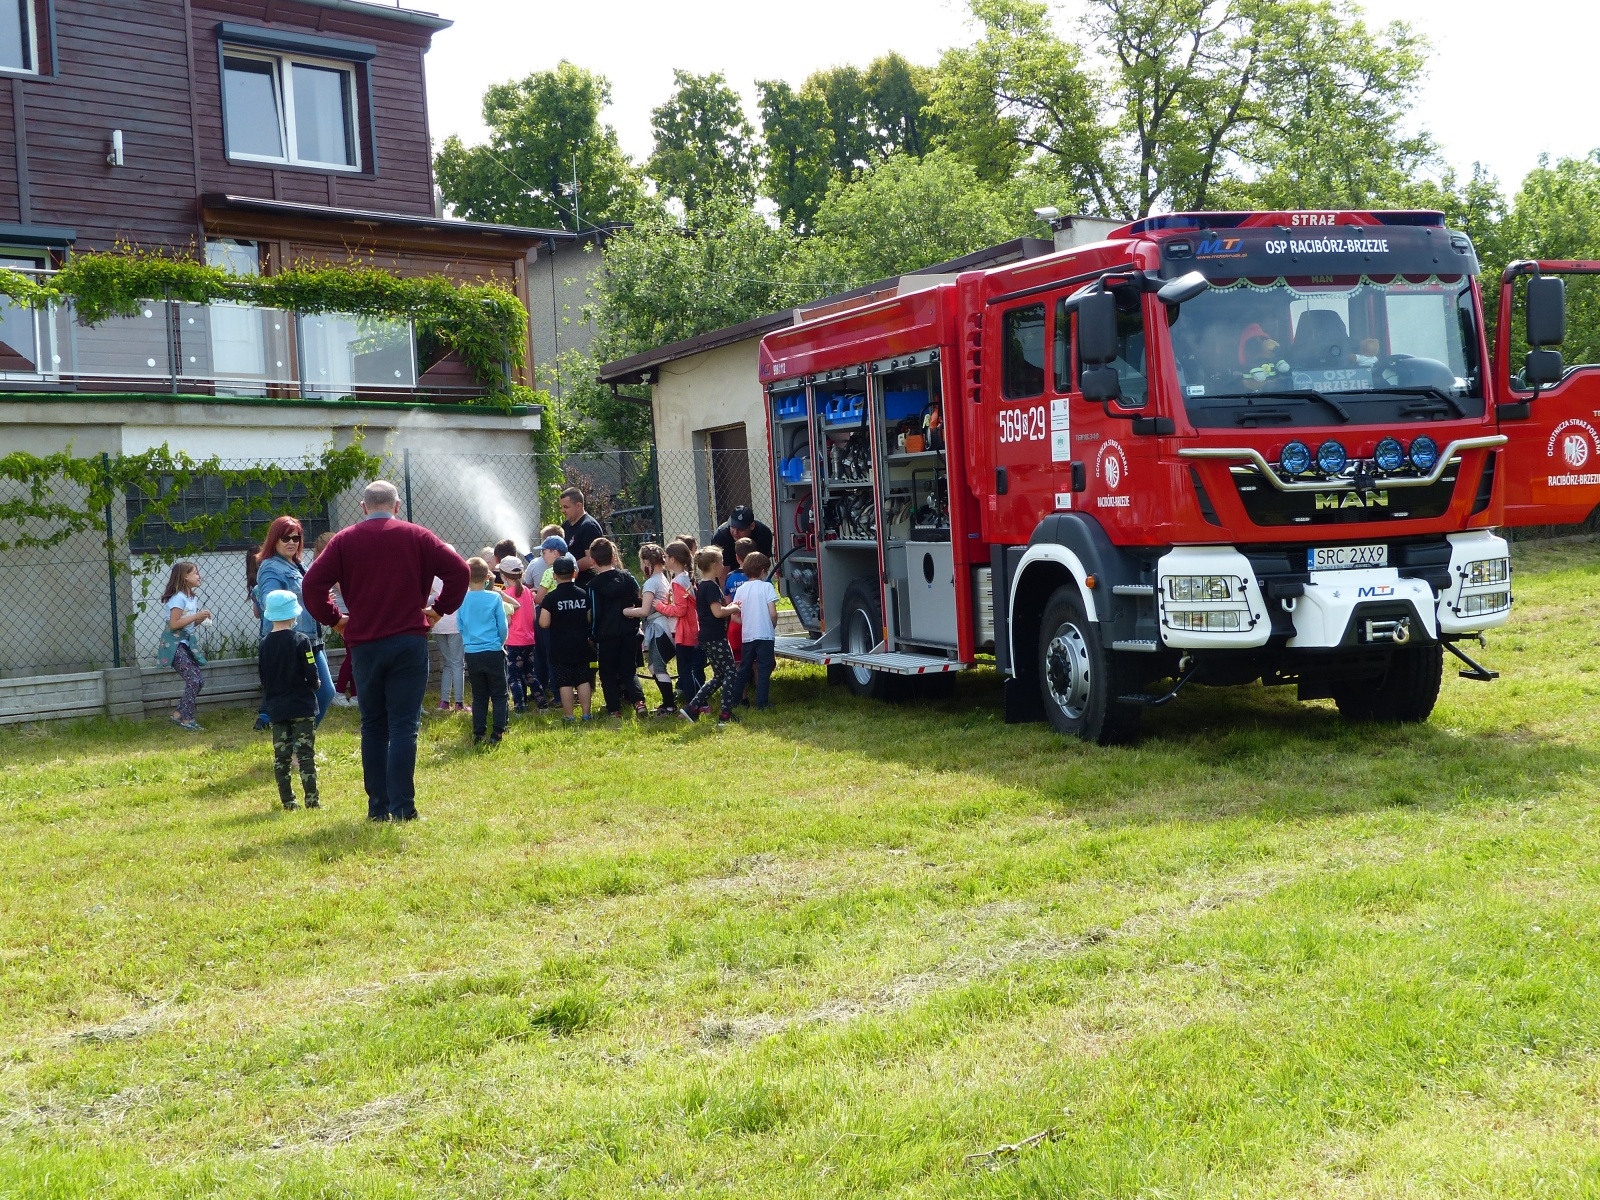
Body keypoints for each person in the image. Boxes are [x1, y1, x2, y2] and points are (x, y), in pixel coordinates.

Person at [302, 480, 468, 822]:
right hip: (409, 640)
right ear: (397, 506)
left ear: (363, 507)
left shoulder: (344, 541)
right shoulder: (418, 535)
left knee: (373, 726)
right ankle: (404, 808)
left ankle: (377, 808)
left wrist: (335, 620)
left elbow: (312, 585)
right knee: (405, 726)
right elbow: (460, 570)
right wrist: (439, 609)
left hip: (365, 644)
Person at [252, 516, 336, 731]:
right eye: (285, 537)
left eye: (296, 538)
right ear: (274, 540)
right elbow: (269, 599)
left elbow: (308, 594)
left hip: (311, 638)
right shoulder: (271, 568)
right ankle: (296, 746)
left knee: (325, 692)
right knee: (309, 695)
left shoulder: (298, 564)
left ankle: (299, 744)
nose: (291, 542)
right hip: (289, 642)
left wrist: (321, 599)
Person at [258, 589, 321, 810]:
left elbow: (263, 677)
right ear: (294, 615)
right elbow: (310, 668)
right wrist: (315, 684)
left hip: (277, 707)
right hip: (302, 706)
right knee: (305, 755)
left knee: (281, 757)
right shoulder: (301, 640)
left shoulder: (264, 644)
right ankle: (312, 802)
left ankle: (288, 802)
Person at [586, 538, 648, 718]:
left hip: (606, 636)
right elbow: (639, 599)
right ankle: (639, 701)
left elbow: (596, 612)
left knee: (607, 673)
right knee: (629, 670)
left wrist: (593, 633)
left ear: (592, 560)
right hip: (629, 632)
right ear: (614, 557)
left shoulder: (593, 586)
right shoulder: (628, 577)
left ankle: (614, 709)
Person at [456, 556, 511, 746]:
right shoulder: (495, 597)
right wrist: (500, 643)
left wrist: (469, 642)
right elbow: (502, 626)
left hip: (472, 652)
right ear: (488, 577)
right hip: (493, 650)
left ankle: (478, 733)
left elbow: (460, 625)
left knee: (479, 695)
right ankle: (498, 731)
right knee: (499, 693)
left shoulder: (462, 600)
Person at [682, 546, 740, 724]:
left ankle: (692, 708)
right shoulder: (711, 587)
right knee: (730, 672)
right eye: (721, 562)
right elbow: (717, 612)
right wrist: (734, 608)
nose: (723, 565)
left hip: (706, 637)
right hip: (716, 637)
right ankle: (725, 714)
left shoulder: (704, 586)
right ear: (714, 565)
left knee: (719, 675)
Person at [538, 554, 594, 720]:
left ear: (554, 576)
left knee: (565, 682)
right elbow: (589, 617)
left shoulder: (551, 598)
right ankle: (586, 714)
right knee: (583, 680)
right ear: (574, 574)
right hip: (582, 644)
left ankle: (569, 715)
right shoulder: (583, 594)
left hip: (560, 646)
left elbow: (544, 623)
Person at [158, 560, 210, 732]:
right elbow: (174, 624)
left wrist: (199, 620)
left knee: (198, 680)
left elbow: (186, 625)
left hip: (184, 642)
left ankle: (178, 714)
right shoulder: (178, 598)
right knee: (194, 680)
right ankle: (187, 719)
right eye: (195, 573)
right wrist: (195, 616)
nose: (199, 576)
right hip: (174, 645)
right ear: (185, 577)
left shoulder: (191, 597)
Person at [728, 551, 779, 711]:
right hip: (765, 635)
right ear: (763, 570)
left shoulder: (742, 589)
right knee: (764, 669)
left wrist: (746, 622)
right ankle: (762, 703)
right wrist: (772, 624)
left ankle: (735, 700)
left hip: (748, 636)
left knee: (744, 668)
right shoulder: (767, 587)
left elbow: (734, 615)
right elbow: (773, 612)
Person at [634, 543, 678, 715]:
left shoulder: (651, 583)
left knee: (657, 667)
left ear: (646, 561)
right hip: (663, 627)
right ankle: (668, 702)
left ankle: (669, 705)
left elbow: (645, 610)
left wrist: (627, 611)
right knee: (654, 666)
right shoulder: (662, 578)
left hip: (659, 629)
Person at [658, 540, 702, 708]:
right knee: (688, 669)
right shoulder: (685, 578)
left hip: (683, 632)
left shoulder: (677, 582)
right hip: (691, 628)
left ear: (674, 559)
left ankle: (693, 704)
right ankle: (701, 701)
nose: (665, 560)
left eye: (666, 557)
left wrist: (661, 606)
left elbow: (679, 610)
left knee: (684, 671)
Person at [498, 556, 544, 713]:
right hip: (529, 640)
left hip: (513, 642)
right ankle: (542, 702)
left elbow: (508, 621)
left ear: (503, 576)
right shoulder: (527, 591)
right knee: (530, 673)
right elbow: (533, 617)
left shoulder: (505, 595)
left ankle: (519, 706)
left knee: (514, 677)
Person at [530, 533, 567, 703]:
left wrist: (534, 594)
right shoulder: (571, 569)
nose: (542, 555)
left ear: (555, 553)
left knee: (549, 654)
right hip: (565, 617)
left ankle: (556, 692)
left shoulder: (549, 573)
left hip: (548, 616)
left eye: (544, 552)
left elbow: (539, 599)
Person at [429, 559, 465, 713]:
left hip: (439, 625)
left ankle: (444, 701)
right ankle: (459, 702)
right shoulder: (457, 575)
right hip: (455, 625)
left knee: (448, 663)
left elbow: (430, 598)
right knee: (458, 664)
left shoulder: (433, 576)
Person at [558, 487, 605, 583]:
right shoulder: (566, 525)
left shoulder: (589, 527)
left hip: (586, 583)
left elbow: (591, 559)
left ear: (578, 506)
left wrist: (566, 567)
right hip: (570, 582)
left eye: (566, 507)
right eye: (562, 507)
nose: (562, 510)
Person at [710, 505, 774, 570]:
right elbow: (722, 573)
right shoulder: (721, 536)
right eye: (733, 527)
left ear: (752, 526)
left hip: (754, 571)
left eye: (740, 529)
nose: (735, 532)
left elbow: (763, 566)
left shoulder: (763, 533)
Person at [724, 535, 754, 665]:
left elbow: (727, 601)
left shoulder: (730, 577)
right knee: (756, 659)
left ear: (737, 557)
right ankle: (758, 684)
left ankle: (740, 685)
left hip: (736, 622)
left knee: (737, 659)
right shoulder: (757, 577)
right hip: (754, 621)